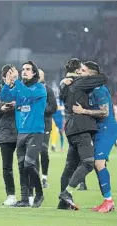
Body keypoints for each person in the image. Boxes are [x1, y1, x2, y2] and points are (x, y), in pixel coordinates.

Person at [58, 58, 108, 210]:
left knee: (69, 167)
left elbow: (62, 95)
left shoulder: (66, 86)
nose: (83, 71)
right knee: (87, 162)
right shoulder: (79, 82)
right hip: (81, 127)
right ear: (78, 70)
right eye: (82, 69)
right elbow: (103, 78)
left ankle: (63, 204)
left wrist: (64, 81)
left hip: (71, 128)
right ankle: (67, 193)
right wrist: (83, 76)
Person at [0, 62, 47, 208]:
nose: (24, 72)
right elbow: (5, 97)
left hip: (35, 132)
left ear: (34, 73)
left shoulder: (40, 88)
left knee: (29, 164)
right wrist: (8, 84)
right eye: (23, 70)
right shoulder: (19, 88)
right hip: (22, 132)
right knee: (21, 166)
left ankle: (39, 194)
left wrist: (17, 81)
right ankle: (25, 199)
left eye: (27, 69)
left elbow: (28, 94)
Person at [72, 61, 117, 213]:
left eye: (83, 70)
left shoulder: (99, 90)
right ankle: (106, 200)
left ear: (91, 74)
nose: (80, 72)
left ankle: (109, 201)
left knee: (98, 163)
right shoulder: (89, 89)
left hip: (107, 129)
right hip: (99, 130)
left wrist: (83, 111)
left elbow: (104, 112)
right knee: (98, 166)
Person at [0, 64, 18, 206]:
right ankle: (11, 195)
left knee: (27, 165)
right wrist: (2, 109)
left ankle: (28, 195)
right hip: (5, 132)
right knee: (7, 167)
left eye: (14, 76)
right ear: (4, 77)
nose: (12, 79)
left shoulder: (22, 90)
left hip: (22, 131)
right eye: (9, 76)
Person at [36, 69, 57, 188]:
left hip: (44, 124)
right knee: (32, 152)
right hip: (31, 125)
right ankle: (35, 177)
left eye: (40, 76)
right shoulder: (28, 89)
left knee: (43, 150)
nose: (38, 77)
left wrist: (40, 110)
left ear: (43, 77)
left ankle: (44, 177)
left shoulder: (48, 90)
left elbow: (53, 108)